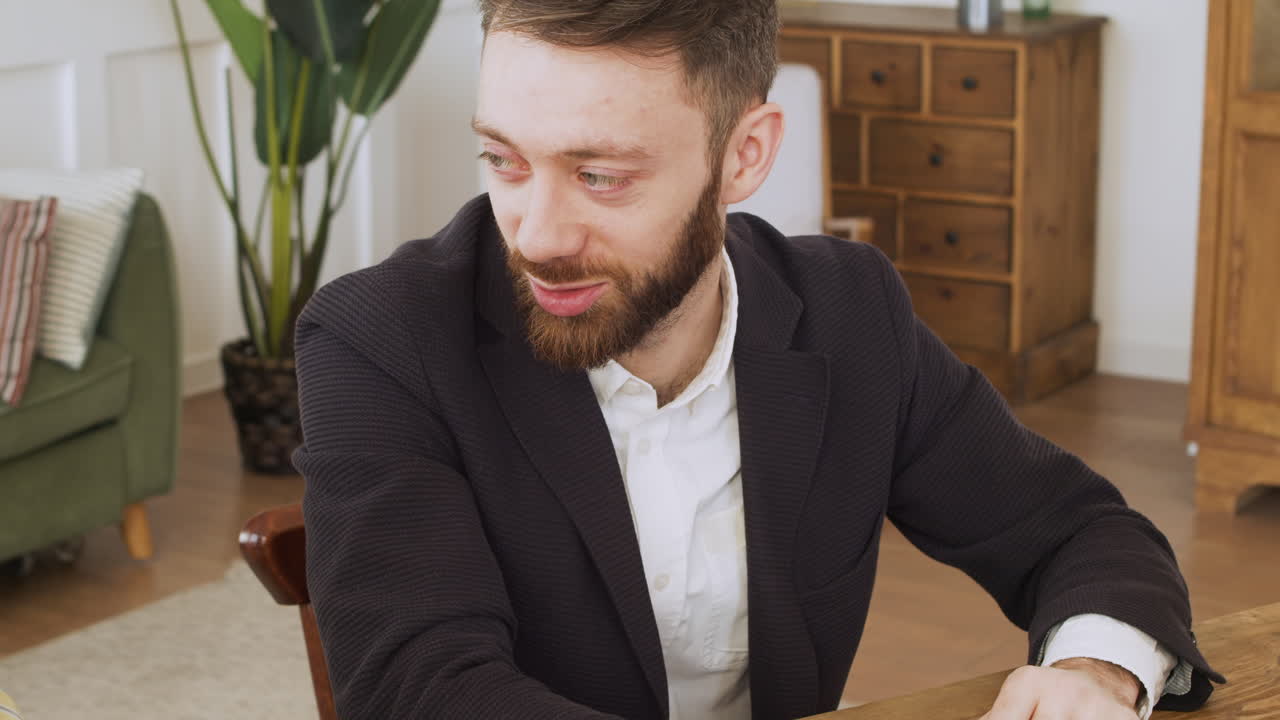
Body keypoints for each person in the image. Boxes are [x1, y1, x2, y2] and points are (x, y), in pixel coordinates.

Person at [291, 2, 1222, 718]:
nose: (536, 233)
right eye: (504, 160)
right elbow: (424, 691)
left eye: (601, 175)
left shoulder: (851, 313)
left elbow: (1076, 530)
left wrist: (1092, 669)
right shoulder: (382, 341)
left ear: (744, 157)